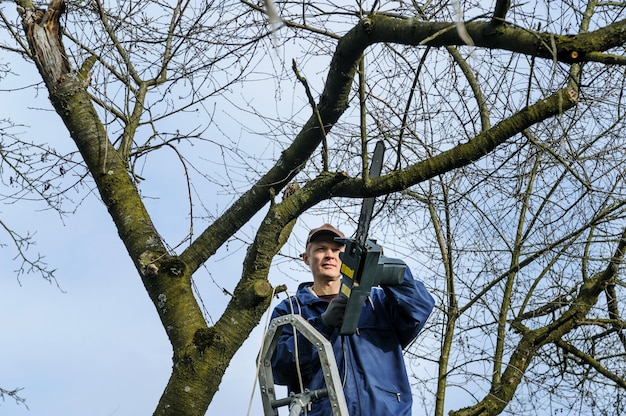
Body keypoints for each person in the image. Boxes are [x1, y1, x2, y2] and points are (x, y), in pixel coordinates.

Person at [270, 223, 435, 415]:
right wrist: (322, 326)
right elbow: (277, 367)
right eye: (321, 249)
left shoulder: (376, 301)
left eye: (336, 250)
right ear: (306, 258)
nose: (329, 255)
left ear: (346, 258)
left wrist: (383, 269)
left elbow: (420, 307)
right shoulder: (291, 310)